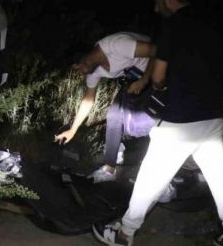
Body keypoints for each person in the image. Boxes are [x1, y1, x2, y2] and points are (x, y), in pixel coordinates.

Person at [93, 0, 223, 246]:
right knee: (219, 174)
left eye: (157, 2)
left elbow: (159, 75)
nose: (155, 8)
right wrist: (211, 91)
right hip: (213, 115)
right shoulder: (215, 24)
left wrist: (160, 85)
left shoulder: (173, 26)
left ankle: (124, 233)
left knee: (151, 175)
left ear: (169, 0)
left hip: (180, 118)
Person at [55, 31, 158, 182]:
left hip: (158, 75)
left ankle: (156, 170)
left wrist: (144, 79)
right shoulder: (93, 70)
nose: (78, 73)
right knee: (114, 116)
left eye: (76, 68)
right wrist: (73, 129)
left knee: (156, 123)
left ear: (83, 59)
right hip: (135, 80)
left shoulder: (116, 45)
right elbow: (88, 99)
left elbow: (158, 51)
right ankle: (110, 168)